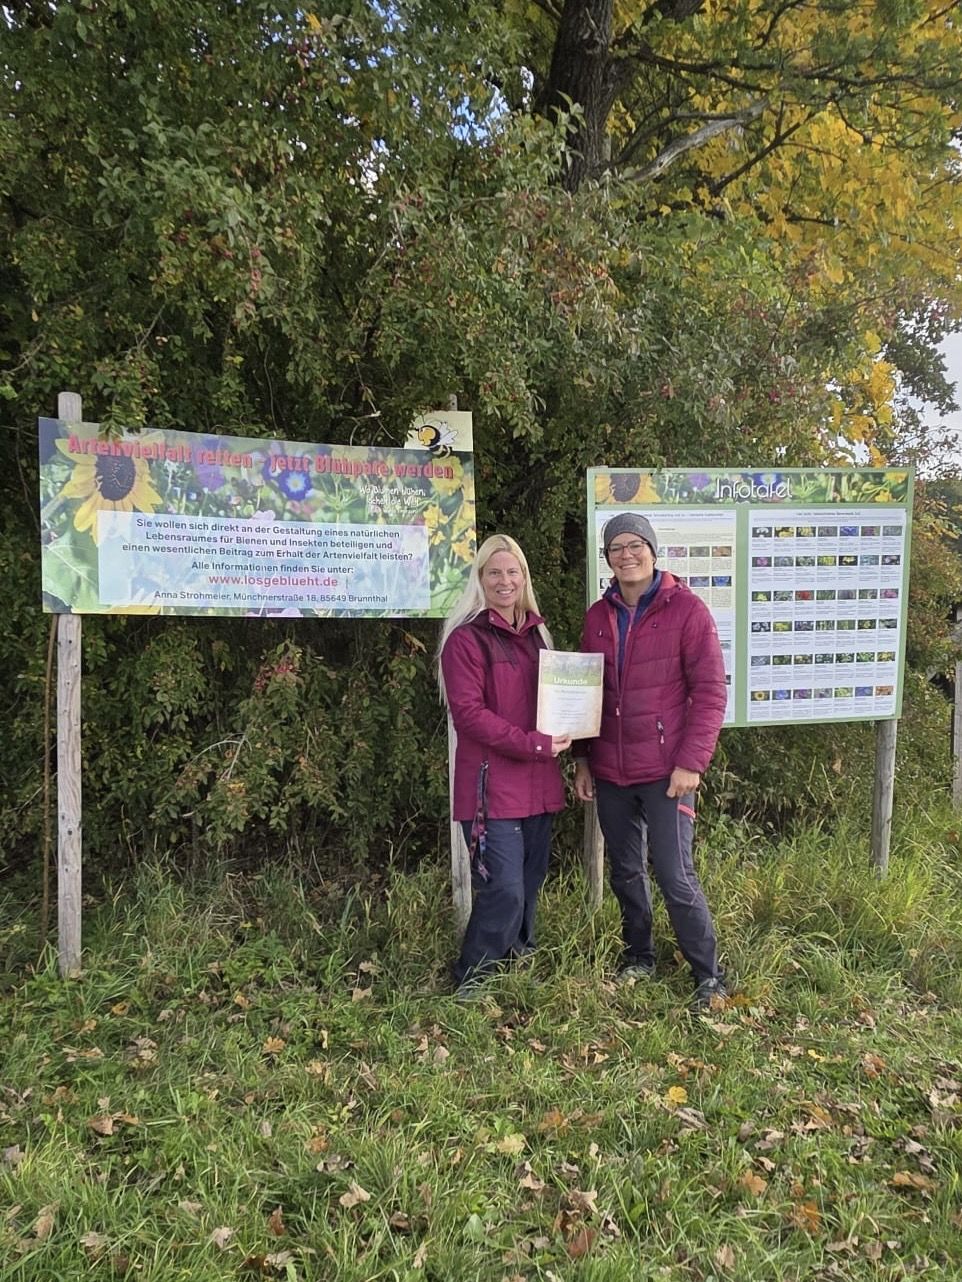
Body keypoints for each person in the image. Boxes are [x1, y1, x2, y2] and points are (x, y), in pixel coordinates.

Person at [573, 512, 729, 1013]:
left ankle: (708, 973)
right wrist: (582, 760)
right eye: (616, 547)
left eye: (635, 544)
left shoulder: (687, 610)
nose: (627, 554)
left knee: (674, 874)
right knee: (624, 871)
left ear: (653, 550)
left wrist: (692, 763)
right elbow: (583, 695)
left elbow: (710, 692)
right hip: (611, 772)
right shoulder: (598, 617)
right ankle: (639, 955)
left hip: (668, 773)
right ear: (608, 559)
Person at [439, 534, 570, 998]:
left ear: (524, 578)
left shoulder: (539, 637)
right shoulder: (466, 640)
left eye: (512, 572)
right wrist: (535, 745)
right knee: (504, 889)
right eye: (494, 572)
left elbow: (559, 703)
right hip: (489, 789)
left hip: (539, 784)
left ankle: (517, 961)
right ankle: (471, 977)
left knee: (530, 882)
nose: (504, 580)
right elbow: (470, 716)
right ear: (480, 580)